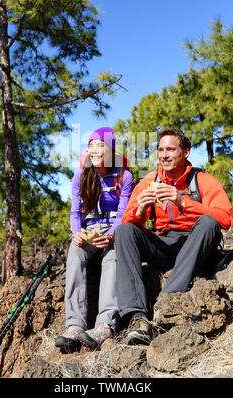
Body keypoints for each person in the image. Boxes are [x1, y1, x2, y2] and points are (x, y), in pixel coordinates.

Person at [114, 126, 233, 345]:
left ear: (185, 152)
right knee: (124, 230)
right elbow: (127, 227)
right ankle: (137, 318)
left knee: (208, 222)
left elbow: (224, 218)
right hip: (163, 243)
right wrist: (139, 212)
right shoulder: (149, 181)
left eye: (170, 149)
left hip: (195, 244)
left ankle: (165, 305)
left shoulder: (203, 180)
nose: (164, 155)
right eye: (160, 150)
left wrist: (182, 202)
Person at [55, 127, 134, 351]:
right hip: (88, 231)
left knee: (113, 256)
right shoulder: (81, 175)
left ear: (111, 149)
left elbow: (123, 214)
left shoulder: (124, 176)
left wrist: (111, 236)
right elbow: (75, 213)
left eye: (99, 145)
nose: (94, 150)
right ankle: (74, 325)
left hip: (112, 230)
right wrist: (76, 232)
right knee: (75, 253)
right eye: (90, 146)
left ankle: (104, 325)